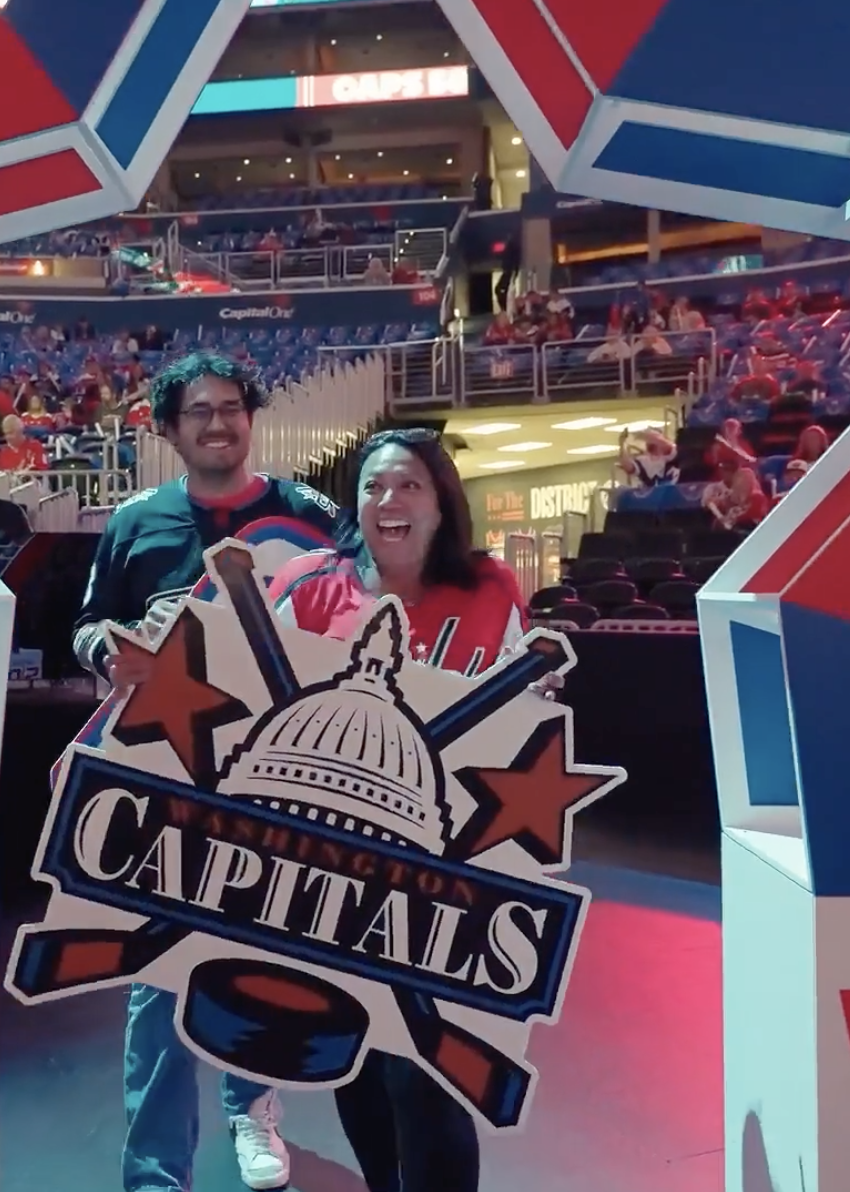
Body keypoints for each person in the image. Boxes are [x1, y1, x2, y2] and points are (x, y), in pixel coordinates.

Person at [72, 351, 340, 1192]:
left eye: (231, 408)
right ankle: (156, 1172)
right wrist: (107, 650)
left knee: (260, 956)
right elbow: (87, 624)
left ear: (250, 417)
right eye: (200, 411)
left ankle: (250, 1106)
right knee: (157, 973)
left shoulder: (309, 513)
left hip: (274, 777)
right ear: (169, 429)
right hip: (164, 778)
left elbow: (364, 614)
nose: (219, 423)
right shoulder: (135, 522)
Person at [263, 428, 531, 1192]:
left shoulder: (491, 588)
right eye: (374, 485)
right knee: (360, 1061)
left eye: (409, 484)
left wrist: (539, 700)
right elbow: (251, 691)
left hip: (448, 871)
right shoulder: (308, 585)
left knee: (424, 1068)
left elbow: (522, 711)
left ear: (442, 504)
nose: (390, 500)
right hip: (330, 875)